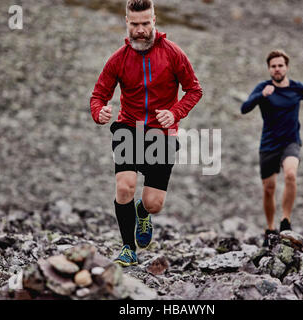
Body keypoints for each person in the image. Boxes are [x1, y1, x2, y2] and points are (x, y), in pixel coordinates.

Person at [90, 0, 202, 266]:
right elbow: (99, 95)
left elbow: (194, 90)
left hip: (162, 133)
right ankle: (128, 248)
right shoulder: (118, 59)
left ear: (154, 20)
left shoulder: (174, 53)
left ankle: (143, 212)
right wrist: (99, 112)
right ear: (126, 22)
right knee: (125, 187)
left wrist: (174, 113)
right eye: (134, 24)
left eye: (145, 23)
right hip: (128, 128)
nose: (140, 30)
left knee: (154, 204)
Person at [241, 50, 303, 246]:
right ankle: (270, 228)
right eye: (273, 66)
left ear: (286, 67)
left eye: (280, 65)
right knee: (269, 189)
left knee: (290, 175)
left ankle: (285, 221)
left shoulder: (297, 88)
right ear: (269, 69)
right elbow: (244, 108)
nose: (277, 69)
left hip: (291, 141)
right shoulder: (263, 87)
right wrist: (261, 95)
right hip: (269, 144)